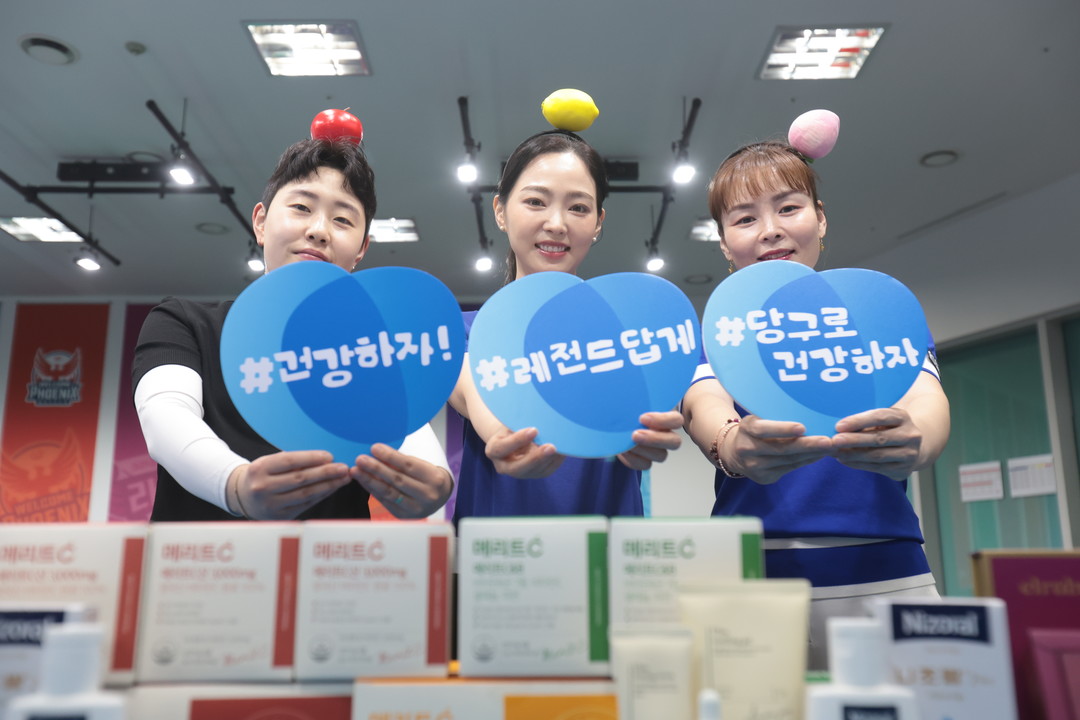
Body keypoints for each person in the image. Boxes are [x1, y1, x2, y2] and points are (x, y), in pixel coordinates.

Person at [681, 140, 951, 669]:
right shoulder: (718, 333)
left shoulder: (876, 314)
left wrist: (916, 439)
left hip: (887, 569)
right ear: (724, 242)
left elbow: (927, 399)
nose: (770, 230)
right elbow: (702, 404)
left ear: (820, 218)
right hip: (751, 577)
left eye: (788, 208)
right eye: (745, 218)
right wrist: (732, 444)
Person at [132, 138, 453, 522]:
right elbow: (165, 416)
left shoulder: (368, 352)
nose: (319, 230)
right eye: (301, 208)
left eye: (343, 220)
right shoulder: (184, 322)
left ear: (361, 249)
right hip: (200, 558)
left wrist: (434, 485)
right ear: (261, 221)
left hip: (330, 559)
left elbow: (411, 436)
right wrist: (234, 485)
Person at [448, 130, 684, 520]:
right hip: (498, 551)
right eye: (535, 202)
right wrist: (507, 440)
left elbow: (651, 400)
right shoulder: (465, 332)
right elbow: (479, 393)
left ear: (598, 222)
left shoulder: (629, 333)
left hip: (608, 550)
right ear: (500, 211)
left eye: (578, 208)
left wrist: (643, 424)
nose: (557, 223)